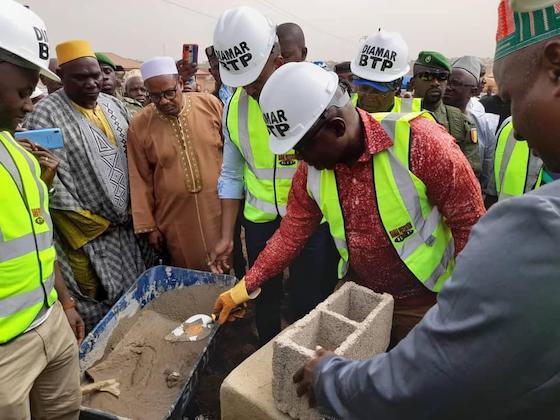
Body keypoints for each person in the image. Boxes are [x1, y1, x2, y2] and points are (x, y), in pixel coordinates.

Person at [293, 1, 560, 418]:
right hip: (367, 291)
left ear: (556, 68)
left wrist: (328, 376)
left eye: (512, 97)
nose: (519, 129)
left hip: (426, 298)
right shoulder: (322, 163)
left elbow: (431, 378)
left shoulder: (535, 224)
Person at [213, 62, 485, 345]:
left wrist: (460, 306)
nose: (300, 159)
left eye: (303, 148)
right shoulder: (313, 171)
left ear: (337, 127)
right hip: (360, 296)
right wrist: (246, 285)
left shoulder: (422, 144)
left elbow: (470, 224)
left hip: (426, 303)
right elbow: (291, 233)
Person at [209, 6, 339, 345]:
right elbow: (231, 174)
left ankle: (304, 352)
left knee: (308, 296)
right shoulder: (234, 108)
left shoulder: (318, 94)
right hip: (260, 219)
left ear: (278, 61)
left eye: (256, 79)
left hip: (313, 220)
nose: (250, 90)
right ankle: (267, 349)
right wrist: (226, 236)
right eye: (242, 82)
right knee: (262, 294)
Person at [0, 2, 84, 418]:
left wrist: (64, 305)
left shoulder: (19, 154)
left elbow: (38, 236)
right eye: (21, 92)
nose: (29, 105)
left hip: (48, 324)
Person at [26, 40, 145, 331]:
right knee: (95, 298)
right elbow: (48, 187)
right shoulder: (43, 117)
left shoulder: (113, 104)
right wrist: (95, 222)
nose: (92, 83)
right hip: (87, 233)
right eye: (81, 77)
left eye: (96, 75)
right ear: (61, 77)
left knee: (135, 293)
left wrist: (137, 209)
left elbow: (137, 157)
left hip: (129, 227)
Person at [127, 56, 223, 270]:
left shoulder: (210, 105)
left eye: (169, 92)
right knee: (188, 270)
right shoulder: (140, 125)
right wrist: (149, 226)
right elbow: (139, 178)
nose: (163, 101)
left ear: (180, 83)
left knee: (227, 261)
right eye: (155, 96)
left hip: (218, 207)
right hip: (174, 217)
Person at [411, 51, 482, 178]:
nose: (435, 82)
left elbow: (470, 172)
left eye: (442, 77)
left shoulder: (460, 122)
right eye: (427, 76)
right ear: (412, 83)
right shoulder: (397, 115)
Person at [445, 56, 500, 194]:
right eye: (447, 81)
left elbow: (487, 167)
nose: (448, 87)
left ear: (474, 91)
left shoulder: (484, 124)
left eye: (455, 83)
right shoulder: (428, 117)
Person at [349, 30, 421, 112]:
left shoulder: (415, 116)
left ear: (397, 86)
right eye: (364, 88)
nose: (369, 97)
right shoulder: (342, 109)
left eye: (378, 91)